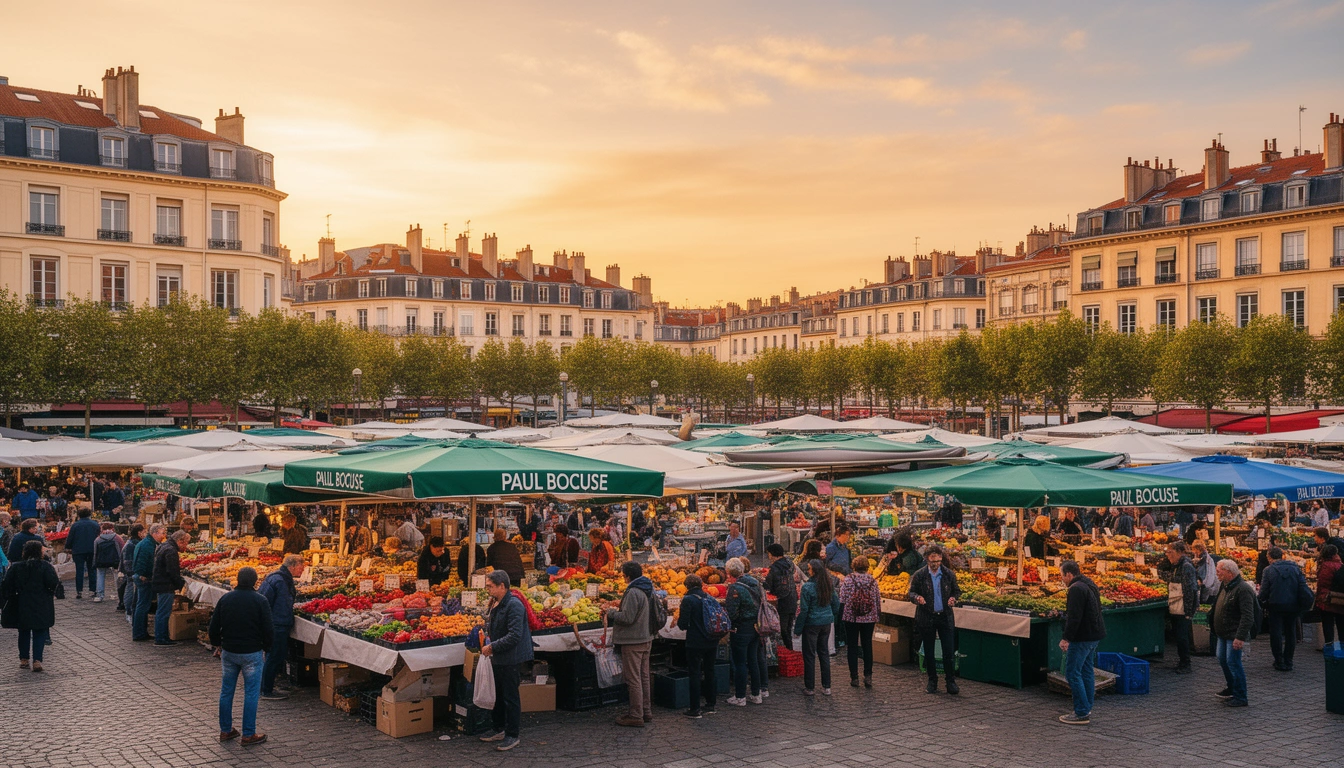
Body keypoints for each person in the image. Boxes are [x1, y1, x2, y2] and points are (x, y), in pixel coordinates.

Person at [208, 566, 273, 747]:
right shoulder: (260, 600)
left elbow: (213, 626)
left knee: (226, 691)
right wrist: (267, 648)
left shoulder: (226, 598)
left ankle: (226, 730)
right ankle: (248, 734)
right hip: (252, 652)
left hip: (229, 652)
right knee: (251, 693)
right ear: (255, 581)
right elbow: (268, 628)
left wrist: (218, 644)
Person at [478, 570, 532, 752]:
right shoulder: (496, 602)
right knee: (499, 694)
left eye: (490, 586)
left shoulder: (514, 605)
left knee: (510, 696)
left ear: (502, 586)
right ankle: (498, 728)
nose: (488, 590)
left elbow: (515, 635)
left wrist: (493, 647)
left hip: (511, 657)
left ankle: (512, 734)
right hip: (500, 656)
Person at [607, 561, 656, 727]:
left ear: (627, 576)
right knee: (644, 677)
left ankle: (635, 715)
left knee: (633, 679)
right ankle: (646, 711)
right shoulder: (648, 588)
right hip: (646, 637)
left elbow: (627, 618)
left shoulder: (634, 592)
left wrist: (611, 613)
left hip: (633, 640)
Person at [1057, 560, 1105, 725]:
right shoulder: (1088, 583)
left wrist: (1066, 638)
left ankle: (1081, 712)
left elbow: (1074, 617)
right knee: (1086, 671)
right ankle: (1086, 707)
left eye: (1062, 575)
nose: (1062, 579)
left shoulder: (1076, 589)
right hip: (1093, 635)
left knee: (1072, 673)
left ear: (1069, 574)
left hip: (1082, 637)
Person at [908, 544, 960, 695]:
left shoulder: (948, 574)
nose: (935, 564)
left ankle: (950, 681)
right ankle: (932, 681)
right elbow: (911, 593)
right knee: (929, 651)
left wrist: (953, 598)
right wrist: (917, 598)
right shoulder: (920, 575)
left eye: (937, 561)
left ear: (941, 559)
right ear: (927, 559)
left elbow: (956, 591)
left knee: (948, 651)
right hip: (927, 616)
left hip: (945, 616)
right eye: (932, 561)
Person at [0, 540, 59, 672]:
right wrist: (49, 593)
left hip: (21, 603)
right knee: (39, 631)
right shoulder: (45, 566)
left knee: (23, 631)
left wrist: (10, 597)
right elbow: (53, 582)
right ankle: (37, 660)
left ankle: (24, 659)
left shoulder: (16, 567)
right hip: (41, 602)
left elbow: (6, 585)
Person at [1212, 559, 1257, 707]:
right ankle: (1232, 688)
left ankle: (1240, 695)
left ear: (1229, 573)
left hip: (1234, 634)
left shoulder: (1243, 589)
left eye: (1220, 571)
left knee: (1233, 663)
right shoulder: (1225, 586)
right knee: (1223, 659)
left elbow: (1248, 616)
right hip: (1223, 633)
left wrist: (1240, 637)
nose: (1217, 573)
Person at [258, 554, 304, 700]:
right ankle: (266, 690)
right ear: (292, 566)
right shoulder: (280, 581)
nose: (303, 570)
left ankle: (267, 686)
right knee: (274, 656)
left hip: (278, 622)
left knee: (274, 656)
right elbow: (267, 601)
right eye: (301, 566)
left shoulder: (279, 578)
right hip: (277, 624)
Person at [1257, 547, 1309, 672]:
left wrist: (1260, 600)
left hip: (1275, 605)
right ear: (1282, 556)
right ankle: (1289, 660)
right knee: (1290, 632)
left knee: (1276, 633)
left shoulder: (1268, 570)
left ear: (1269, 557)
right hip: (1293, 605)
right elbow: (1302, 585)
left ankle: (1279, 660)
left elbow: (1264, 591)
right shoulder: (1295, 568)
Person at [677, 573, 718, 718]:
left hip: (695, 642)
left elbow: (683, 624)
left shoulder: (688, 599)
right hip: (711, 640)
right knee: (710, 671)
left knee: (694, 673)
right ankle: (710, 704)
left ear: (687, 586)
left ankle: (695, 709)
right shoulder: (709, 597)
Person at [794, 558, 837, 696]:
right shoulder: (828, 584)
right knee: (824, 653)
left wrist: (798, 629)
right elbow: (836, 603)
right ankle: (827, 686)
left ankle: (810, 687)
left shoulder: (807, 587)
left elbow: (804, 610)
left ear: (813, 571)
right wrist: (830, 615)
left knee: (809, 655)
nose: (808, 571)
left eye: (809, 568)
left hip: (812, 623)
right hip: (826, 622)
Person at [724, 558, 763, 706]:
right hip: (756, 626)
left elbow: (732, 612)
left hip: (741, 629)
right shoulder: (754, 582)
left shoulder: (735, 588)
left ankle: (740, 697)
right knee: (753, 660)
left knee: (740, 662)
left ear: (729, 573)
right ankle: (756, 694)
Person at [839, 555, 881, 688]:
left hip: (851, 617)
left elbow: (842, 598)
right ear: (867, 566)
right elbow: (877, 599)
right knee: (867, 645)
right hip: (869, 617)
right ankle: (868, 676)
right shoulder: (873, 581)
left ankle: (854, 677)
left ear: (854, 566)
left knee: (852, 646)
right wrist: (877, 615)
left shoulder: (848, 579)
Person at [1159, 542, 1199, 674]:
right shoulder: (1177, 565)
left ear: (1179, 552)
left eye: (1170, 552)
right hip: (1177, 606)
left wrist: (1188, 612)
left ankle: (1186, 664)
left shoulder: (1186, 566)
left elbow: (1190, 590)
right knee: (1179, 635)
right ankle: (1182, 662)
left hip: (1183, 608)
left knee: (1182, 636)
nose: (1168, 555)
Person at [151, 530, 190, 646]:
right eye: (186, 543)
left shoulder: (164, 546)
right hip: (165, 585)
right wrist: (180, 584)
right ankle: (161, 638)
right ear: (180, 541)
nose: (186, 546)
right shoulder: (171, 551)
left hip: (160, 583)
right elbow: (172, 571)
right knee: (164, 612)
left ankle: (162, 636)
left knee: (161, 611)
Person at [132, 524, 166, 641]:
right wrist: (143, 575)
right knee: (142, 606)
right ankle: (139, 633)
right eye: (162, 533)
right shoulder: (147, 545)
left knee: (141, 605)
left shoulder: (148, 543)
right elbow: (142, 561)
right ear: (154, 533)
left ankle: (141, 632)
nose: (163, 536)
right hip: (144, 578)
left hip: (143, 577)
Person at [764, 543, 799, 651]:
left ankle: (786, 651)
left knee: (782, 629)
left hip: (782, 601)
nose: (769, 556)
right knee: (788, 628)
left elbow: (768, 585)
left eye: (769, 554)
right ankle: (790, 650)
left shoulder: (775, 568)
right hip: (792, 598)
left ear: (772, 554)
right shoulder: (789, 564)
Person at [66, 508, 101, 599]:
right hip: (92, 549)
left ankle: (79, 591)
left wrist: (68, 547)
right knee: (92, 570)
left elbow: (70, 537)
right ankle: (93, 589)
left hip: (78, 550)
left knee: (79, 570)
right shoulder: (95, 524)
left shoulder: (75, 525)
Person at [1315, 545, 1344, 645]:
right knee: (1341, 625)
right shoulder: (1340, 564)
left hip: (1327, 599)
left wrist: (1318, 599)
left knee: (1328, 625)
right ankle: (1341, 647)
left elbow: (1322, 584)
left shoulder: (1326, 566)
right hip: (1340, 599)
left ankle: (1329, 646)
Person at [92, 521, 124, 604]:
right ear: (112, 528)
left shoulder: (98, 539)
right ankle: (119, 594)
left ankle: (100, 595)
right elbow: (122, 549)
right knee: (117, 576)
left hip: (101, 561)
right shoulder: (117, 538)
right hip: (115, 561)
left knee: (100, 576)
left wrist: (95, 562)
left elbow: (95, 552)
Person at [120, 524, 144, 618]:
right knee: (130, 591)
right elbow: (127, 561)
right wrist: (131, 573)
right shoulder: (131, 545)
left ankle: (130, 611)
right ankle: (129, 612)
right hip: (132, 573)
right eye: (144, 532)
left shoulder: (133, 543)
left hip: (133, 572)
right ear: (139, 533)